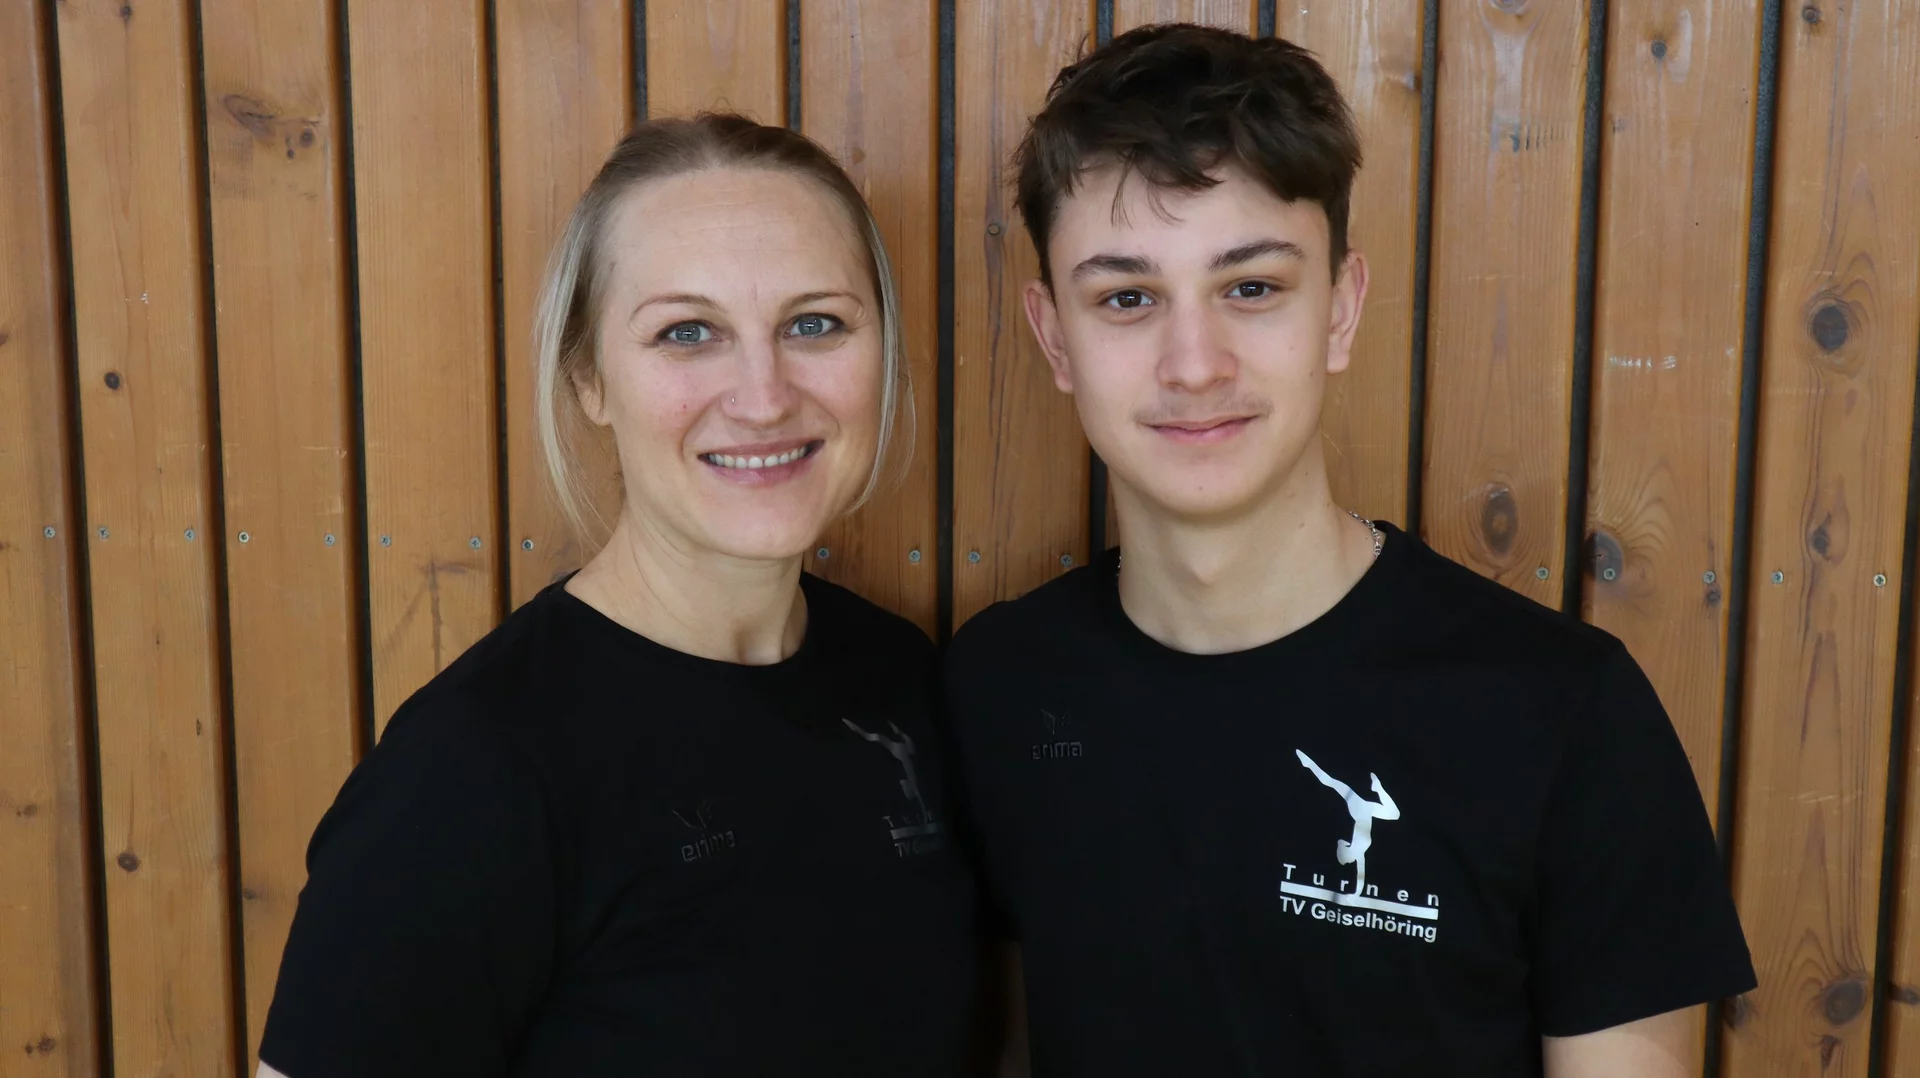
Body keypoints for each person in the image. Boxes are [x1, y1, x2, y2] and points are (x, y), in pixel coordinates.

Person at [942, 23, 1755, 1078]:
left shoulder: (1564, 715)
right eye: (1127, 298)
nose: (1194, 364)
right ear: (1056, 336)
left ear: (1341, 309)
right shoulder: (999, 687)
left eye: (1252, 287)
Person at [258, 113, 979, 1077]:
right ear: (589, 378)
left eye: (815, 323)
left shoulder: (898, 677)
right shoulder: (472, 771)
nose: (764, 395)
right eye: (688, 333)